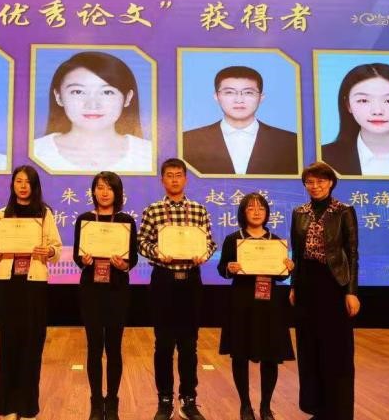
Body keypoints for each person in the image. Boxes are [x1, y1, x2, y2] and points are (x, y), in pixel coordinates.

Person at [137, 158, 217, 420]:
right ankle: (164, 399)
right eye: (169, 175)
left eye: (179, 175)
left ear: (185, 179)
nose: (174, 179)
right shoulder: (153, 210)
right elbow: (141, 242)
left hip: (190, 281)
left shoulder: (198, 210)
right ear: (162, 180)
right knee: (163, 343)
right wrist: (157, 252)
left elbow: (210, 243)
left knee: (189, 344)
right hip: (164, 280)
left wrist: (204, 254)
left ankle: (188, 399)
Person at [0, 165, 62, 420]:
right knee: (8, 343)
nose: (22, 186)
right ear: (13, 185)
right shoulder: (0, 215)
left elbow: (56, 249)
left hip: (34, 283)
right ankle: (8, 407)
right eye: (18, 181)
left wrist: (48, 252)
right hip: (7, 284)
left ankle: (28, 407)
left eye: (27, 182)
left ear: (34, 186)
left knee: (32, 344)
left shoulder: (44, 214)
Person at [289, 162, 360, 420]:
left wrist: (351, 291)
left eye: (320, 181)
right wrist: (294, 285)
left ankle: (338, 412)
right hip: (306, 284)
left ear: (330, 183)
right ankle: (317, 409)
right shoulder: (299, 212)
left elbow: (352, 252)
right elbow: (297, 253)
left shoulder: (344, 211)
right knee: (310, 349)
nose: (315, 186)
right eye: (310, 182)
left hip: (334, 285)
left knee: (336, 351)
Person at [217, 193, 295, 420]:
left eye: (261, 208)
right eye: (251, 208)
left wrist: (288, 268)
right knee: (240, 354)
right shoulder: (234, 239)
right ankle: (245, 405)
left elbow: (281, 277)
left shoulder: (276, 240)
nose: (257, 212)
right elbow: (222, 270)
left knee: (270, 355)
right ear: (243, 213)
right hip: (241, 302)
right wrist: (229, 268)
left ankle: (265, 407)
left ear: (267, 213)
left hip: (270, 304)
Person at [73, 171, 138, 420]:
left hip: (117, 289)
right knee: (93, 347)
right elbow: (78, 256)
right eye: (99, 187)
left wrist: (123, 264)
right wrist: (84, 260)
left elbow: (132, 257)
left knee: (113, 347)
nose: (104, 192)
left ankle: (112, 402)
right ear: (93, 191)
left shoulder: (126, 221)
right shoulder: (84, 219)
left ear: (117, 192)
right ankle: (95, 402)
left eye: (109, 188)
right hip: (91, 289)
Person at [33, 51, 152, 173]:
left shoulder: (149, 155)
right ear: (58, 97)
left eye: (107, 92)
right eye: (78, 92)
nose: (92, 104)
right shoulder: (36, 152)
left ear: (127, 98)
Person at [182, 65, 298, 175]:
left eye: (248, 92)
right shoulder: (188, 141)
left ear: (261, 97)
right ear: (216, 96)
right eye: (229, 92)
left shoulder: (290, 142)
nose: (239, 100)